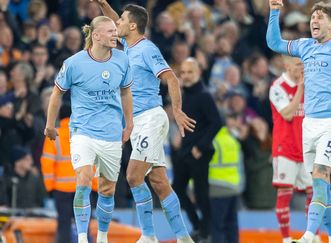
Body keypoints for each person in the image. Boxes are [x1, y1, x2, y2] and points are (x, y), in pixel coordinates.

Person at [267, 0, 331, 242]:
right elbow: (274, 43)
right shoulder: (304, 46)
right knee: (321, 184)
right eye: (313, 17)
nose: (314, 20)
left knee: (321, 175)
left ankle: (308, 235)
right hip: (309, 125)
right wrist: (274, 12)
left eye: (321, 17)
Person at [95, 2, 196, 243]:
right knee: (159, 182)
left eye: (121, 20)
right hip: (137, 122)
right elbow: (113, 18)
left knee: (132, 176)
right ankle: (184, 238)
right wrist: (102, 3)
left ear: (132, 25)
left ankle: (149, 235)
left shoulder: (147, 49)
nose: (115, 23)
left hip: (150, 118)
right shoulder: (129, 46)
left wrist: (178, 110)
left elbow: (171, 77)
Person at [44, 16, 134, 243]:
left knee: (107, 190)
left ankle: (101, 236)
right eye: (111, 31)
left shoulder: (122, 60)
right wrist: (50, 124)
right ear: (95, 35)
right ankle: (83, 237)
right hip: (82, 131)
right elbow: (57, 93)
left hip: (112, 133)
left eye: (116, 30)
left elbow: (125, 92)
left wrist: (129, 122)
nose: (116, 34)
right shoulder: (74, 63)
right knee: (83, 178)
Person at [174, 58, 222, 242]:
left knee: (202, 193)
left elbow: (216, 123)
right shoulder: (184, 94)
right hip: (185, 150)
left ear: (198, 73)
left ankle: (204, 231)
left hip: (198, 152)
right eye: (183, 72)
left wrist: (200, 146)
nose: (185, 76)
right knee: (177, 188)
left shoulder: (204, 95)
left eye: (189, 72)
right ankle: (197, 225)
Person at [269, 56, 313, 243]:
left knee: (314, 192)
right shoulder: (277, 87)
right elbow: (287, 114)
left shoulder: (311, 85)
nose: (301, 69)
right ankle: (286, 239)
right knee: (284, 193)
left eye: (303, 65)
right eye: (297, 65)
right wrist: (300, 88)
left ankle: (312, 236)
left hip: (306, 148)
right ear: (286, 65)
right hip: (285, 147)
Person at [41, 104, 98, 243]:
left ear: (60, 117)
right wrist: (95, 186)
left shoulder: (53, 136)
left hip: (61, 190)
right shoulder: (86, 136)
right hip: (83, 188)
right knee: (83, 227)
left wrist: (49, 187)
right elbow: (94, 163)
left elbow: (47, 163)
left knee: (64, 224)